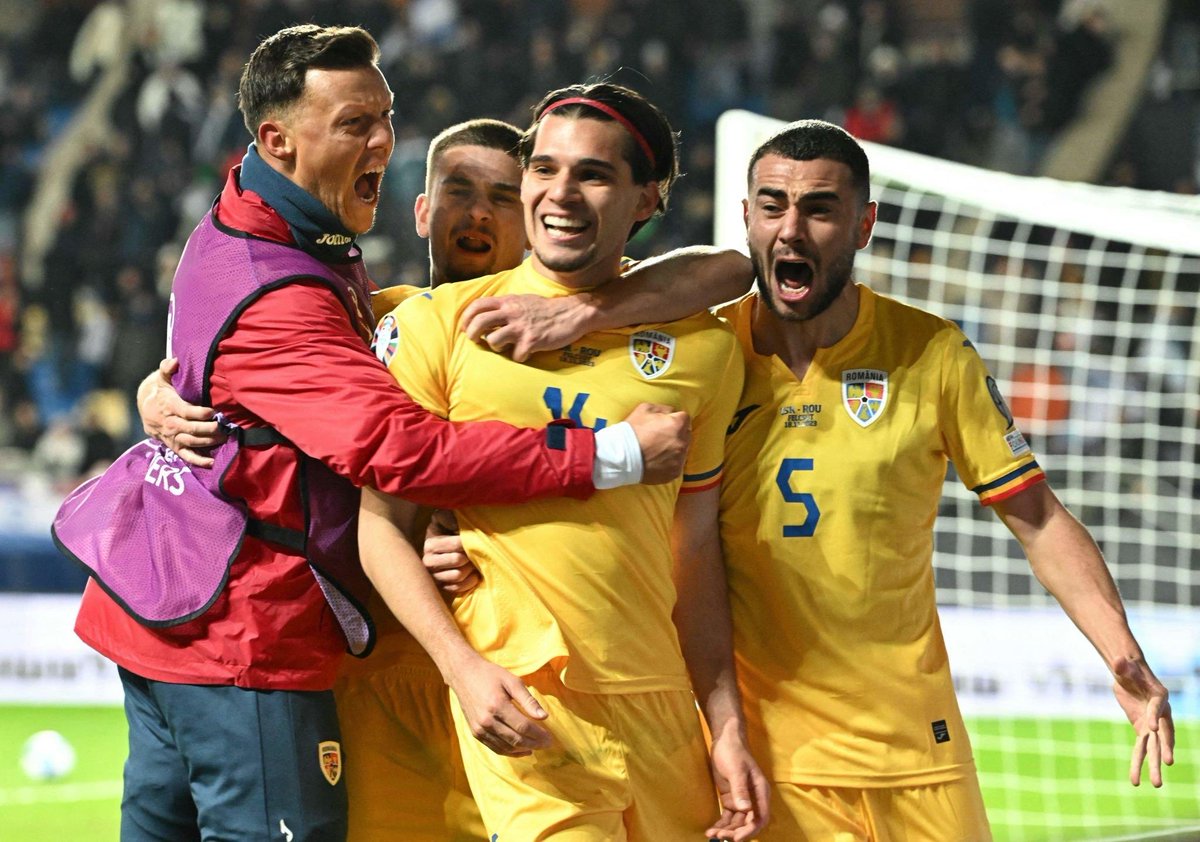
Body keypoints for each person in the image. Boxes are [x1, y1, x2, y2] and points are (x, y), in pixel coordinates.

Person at [454, 119, 1176, 839]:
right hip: (767, 769)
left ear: (864, 224)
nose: (791, 230)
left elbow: (1038, 519)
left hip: (919, 751)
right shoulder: (701, 355)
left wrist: (1122, 655)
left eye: (820, 209)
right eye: (772, 207)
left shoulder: (929, 353)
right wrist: (446, 530)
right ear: (747, 218)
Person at [67, 27, 692, 842]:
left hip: (190, 620)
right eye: (354, 124)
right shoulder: (324, 301)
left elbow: (727, 269)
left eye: (386, 117)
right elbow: (403, 451)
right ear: (278, 141)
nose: (383, 142)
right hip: (248, 634)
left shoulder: (280, 232)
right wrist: (611, 454)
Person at [362, 82, 769, 840]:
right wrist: (463, 668)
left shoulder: (704, 348)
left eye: (593, 174)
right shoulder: (437, 325)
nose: (561, 193)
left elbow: (694, 553)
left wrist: (725, 727)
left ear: (647, 199)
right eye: (544, 169)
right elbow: (378, 523)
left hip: (658, 706)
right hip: (524, 697)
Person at [334, 117, 529, 842]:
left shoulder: (575, 336)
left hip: (519, 676)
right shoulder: (367, 320)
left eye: (503, 198)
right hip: (381, 678)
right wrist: (157, 394)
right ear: (422, 211)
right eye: (459, 191)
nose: (478, 213)